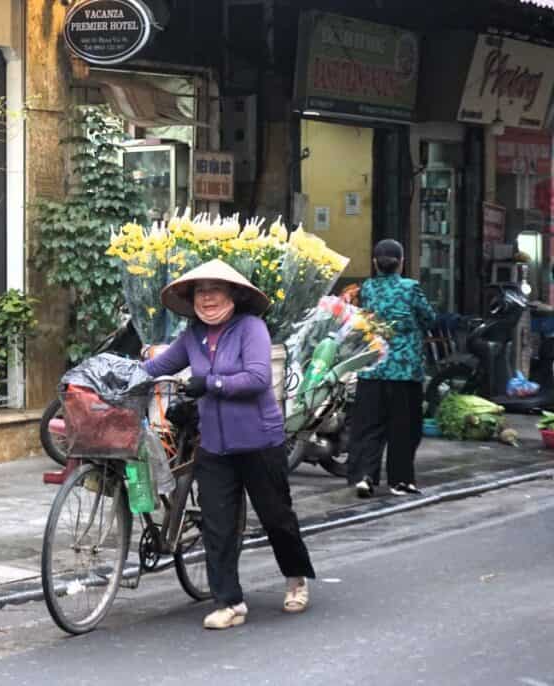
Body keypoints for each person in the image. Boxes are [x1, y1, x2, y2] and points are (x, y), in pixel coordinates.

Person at [143, 259, 315, 630]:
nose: (207, 299)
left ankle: (296, 578)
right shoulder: (192, 337)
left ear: (233, 295)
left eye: (215, 291)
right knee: (217, 526)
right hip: (215, 446)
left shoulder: (251, 328)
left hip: (258, 441)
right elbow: (157, 368)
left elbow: (256, 377)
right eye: (200, 293)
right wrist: (112, 375)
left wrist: (212, 384)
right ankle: (229, 602)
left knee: (277, 518)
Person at [348, 239, 436, 498]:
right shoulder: (411, 288)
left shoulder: (366, 289)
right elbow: (429, 318)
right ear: (401, 263)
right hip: (404, 373)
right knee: (403, 428)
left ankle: (365, 476)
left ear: (375, 263)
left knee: (368, 427)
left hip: (372, 368)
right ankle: (400, 481)